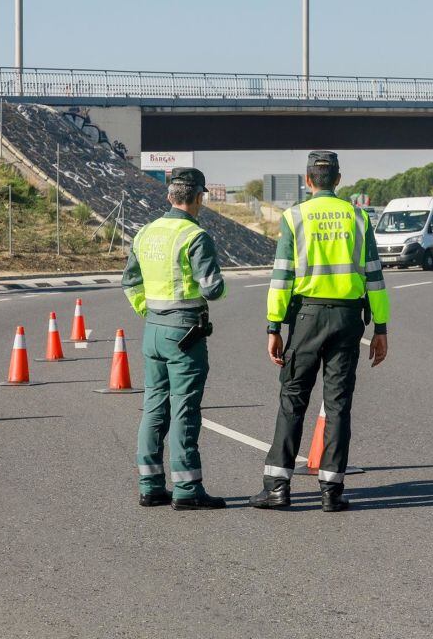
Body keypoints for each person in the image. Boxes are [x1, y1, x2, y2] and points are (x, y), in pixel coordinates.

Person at [250, 151, 390, 513]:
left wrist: (273, 326)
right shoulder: (358, 218)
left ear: (307, 180)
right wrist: (381, 327)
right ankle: (331, 490)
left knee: (292, 400)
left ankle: (278, 488)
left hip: (306, 318)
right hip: (347, 321)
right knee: (339, 404)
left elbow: (281, 276)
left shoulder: (294, 217)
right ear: (339, 180)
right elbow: (375, 276)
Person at [122, 167, 229, 510]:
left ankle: (150, 486)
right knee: (184, 409)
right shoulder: (195, 236)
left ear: (169, 196)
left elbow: (130, 282)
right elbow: (213, 289)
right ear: (199, 198)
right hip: (185, 331)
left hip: (153, 327)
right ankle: (187, 490)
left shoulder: (145, 233)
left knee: (154, 407)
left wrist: (148, 311)